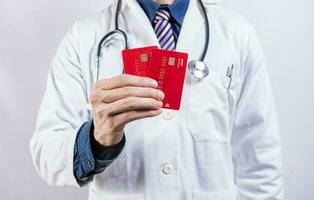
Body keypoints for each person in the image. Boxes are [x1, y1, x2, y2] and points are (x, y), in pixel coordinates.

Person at [30, 0, 283, 199]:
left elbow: (260, 154)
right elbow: (48, 155)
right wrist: (97, 140)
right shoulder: (84, 37)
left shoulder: (237, 34)